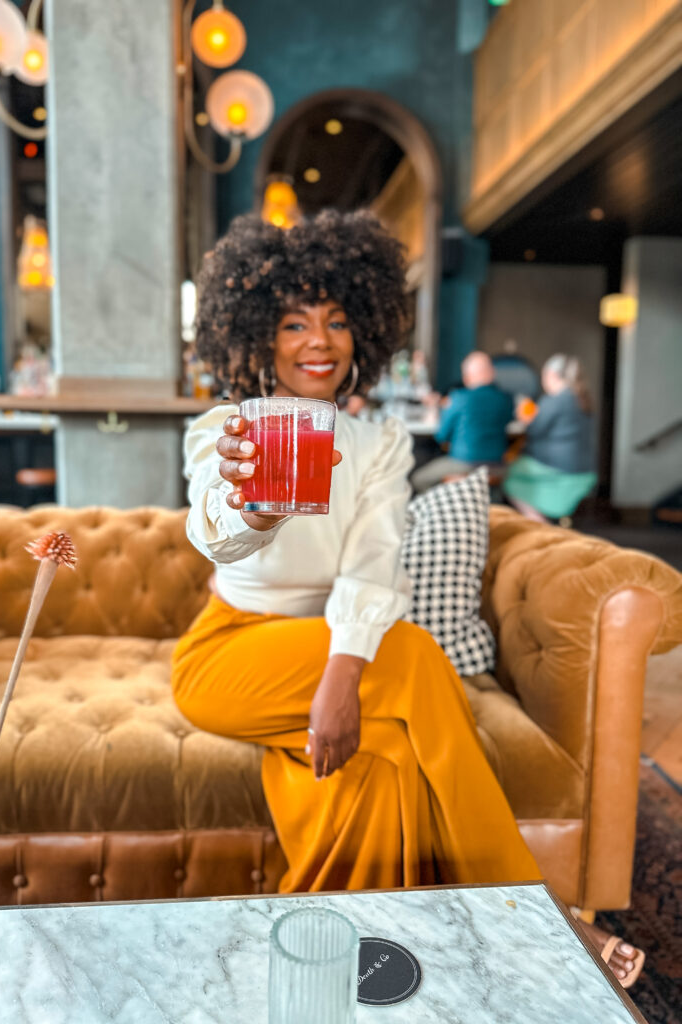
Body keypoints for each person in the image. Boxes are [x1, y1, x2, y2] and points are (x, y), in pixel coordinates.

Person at [171, 210, 641, 986]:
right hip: (229, 653)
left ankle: (348, 951)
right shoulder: (226, 430)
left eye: (337, 320)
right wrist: (253, 504)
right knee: (416, 655)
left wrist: (337, 681)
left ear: (366, 334)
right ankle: (541, 913)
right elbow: (214, 533)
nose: (318, 341)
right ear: (257, 335)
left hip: (329, 650)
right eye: (293, 323)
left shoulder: (379, 445)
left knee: (384, 761)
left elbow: (372, 565)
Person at [503, 354, 598, 523]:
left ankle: (541, 526)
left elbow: (534, 430)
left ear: (551, 375)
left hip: (558, 469)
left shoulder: (555, 400)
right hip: (584, 469)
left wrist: (526, 418)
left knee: (508, 474)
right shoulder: (582, 398)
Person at [411, 351, 513, 491]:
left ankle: (443, 508)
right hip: (497, 465)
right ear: (491, 373)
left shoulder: (458, 398)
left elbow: (441, 436)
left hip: (463, 464)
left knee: (419, 479)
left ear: (467, 377)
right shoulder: (506, 400)